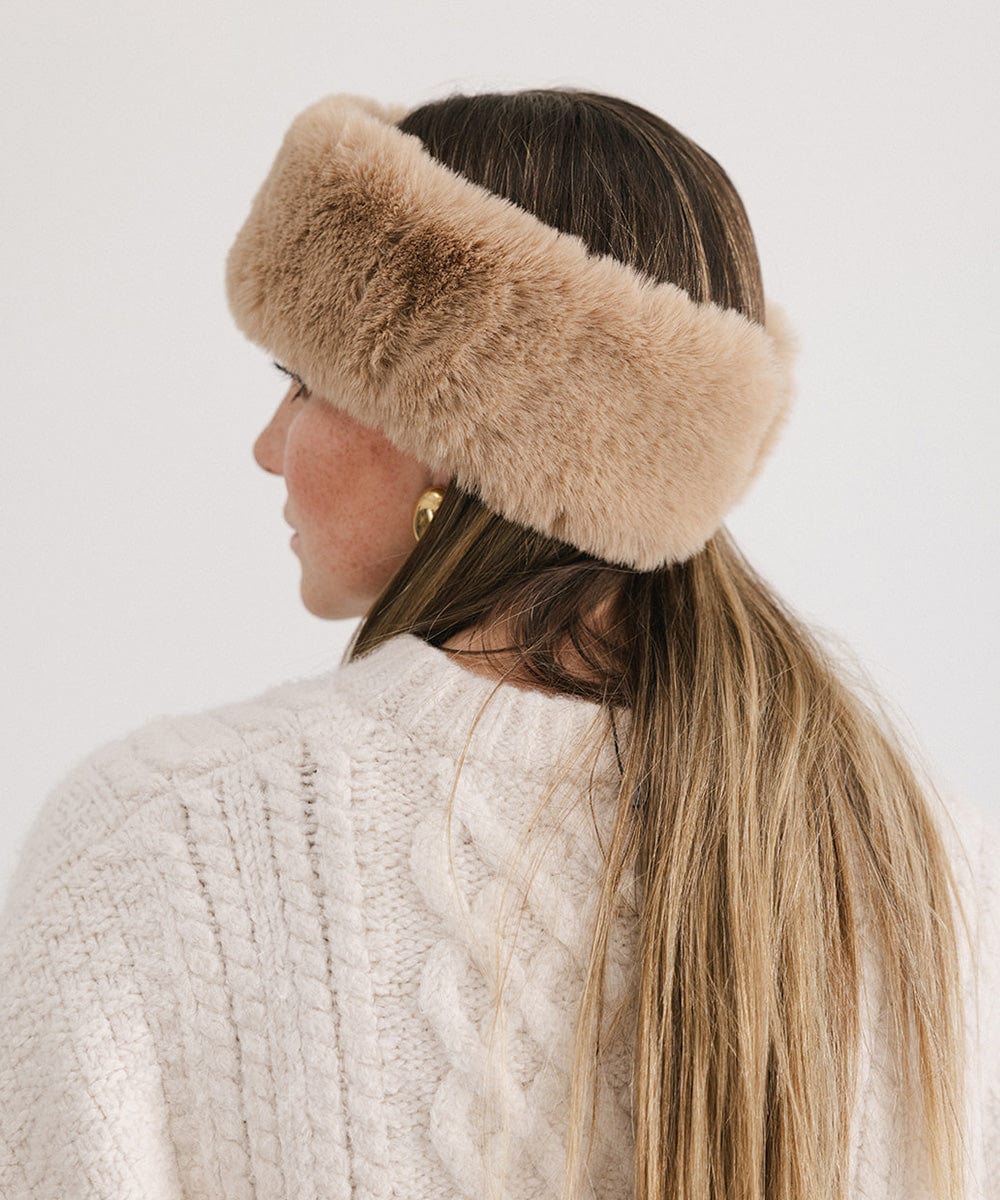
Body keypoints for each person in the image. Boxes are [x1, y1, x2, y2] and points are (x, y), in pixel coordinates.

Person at [1, 87, 997, 1200]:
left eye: (300, 382)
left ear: (450, 427)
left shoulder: (154, 850)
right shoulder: (929, 868)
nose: (267, 447)